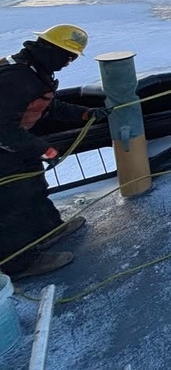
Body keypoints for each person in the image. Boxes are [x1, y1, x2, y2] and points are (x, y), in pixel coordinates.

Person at [1, 25, 107, 280]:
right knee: (11, 205)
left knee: (33, 188)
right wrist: (43, 149)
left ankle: (48, 231)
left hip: (16, 146)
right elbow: (2, 128)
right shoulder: (15, 77)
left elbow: (45, 106)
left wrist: (84, 113)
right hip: (6, 147)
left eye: (73, 58)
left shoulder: (33, 71)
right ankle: (18, 264)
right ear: (49, 48)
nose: (69, 63)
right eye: (67, 56)